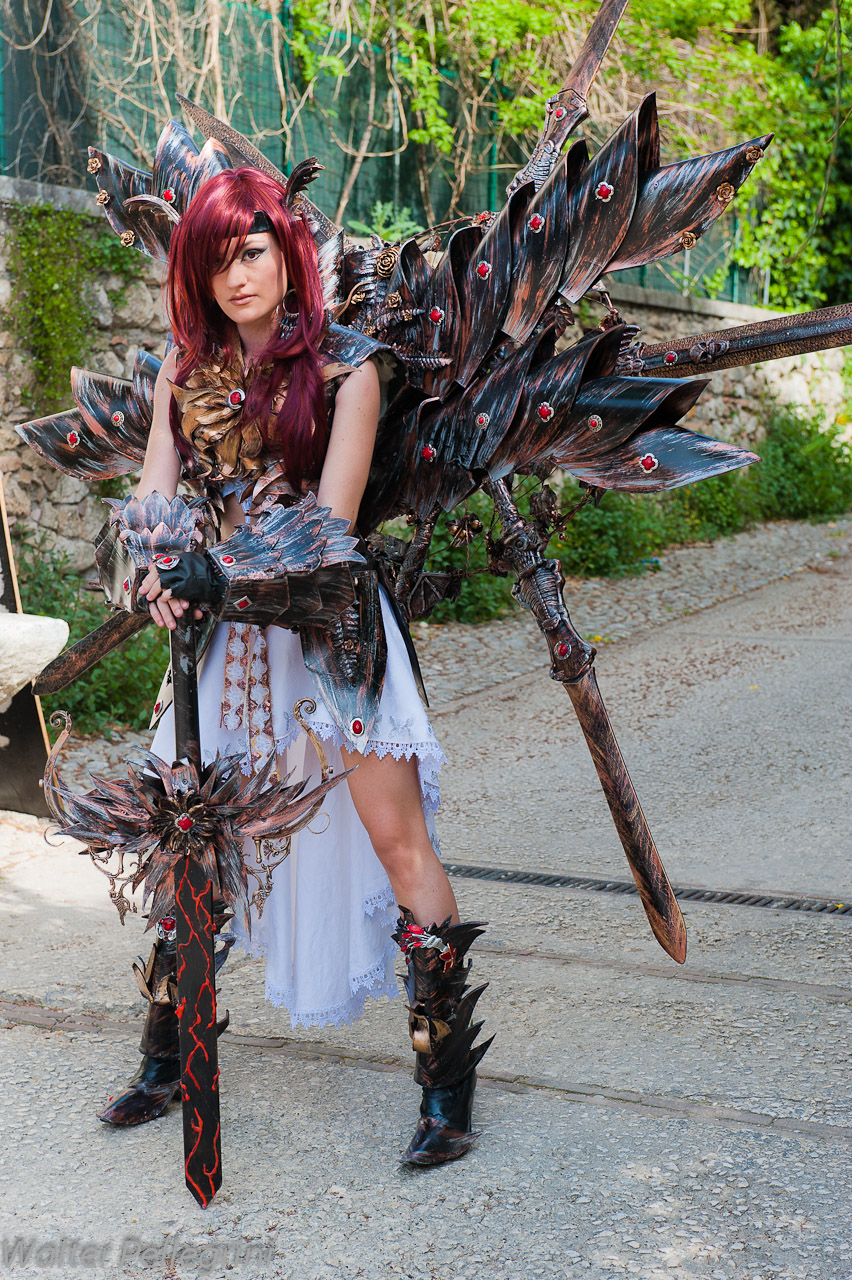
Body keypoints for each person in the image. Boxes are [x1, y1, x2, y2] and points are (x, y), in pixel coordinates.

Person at [98, 165, 492, 1166]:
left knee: (399, 843)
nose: (238, 276)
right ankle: (167, 1053)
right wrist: (152, 570)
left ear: (288, 253)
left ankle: (447, 1084)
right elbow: (153, 499)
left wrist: (209, 573)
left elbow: (328, 533)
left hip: (330, 634)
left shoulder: (351, 370)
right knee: (191, 843)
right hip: (218, 645)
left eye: (253, 252)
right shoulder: (183, 370)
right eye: (217, 261)